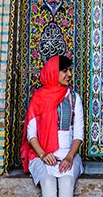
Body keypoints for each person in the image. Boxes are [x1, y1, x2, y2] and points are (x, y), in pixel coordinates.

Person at [21, 55, 84, 197]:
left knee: (66, 183)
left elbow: (78, 134)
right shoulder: (38, 98)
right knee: (48, 183)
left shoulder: (74, 98)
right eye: (64, 71)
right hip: (40, 155)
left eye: (69, 70)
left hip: (68, 154)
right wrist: (43, 154)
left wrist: (69, 157)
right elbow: (31, 134)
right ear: (53, 72)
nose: (69, 74)